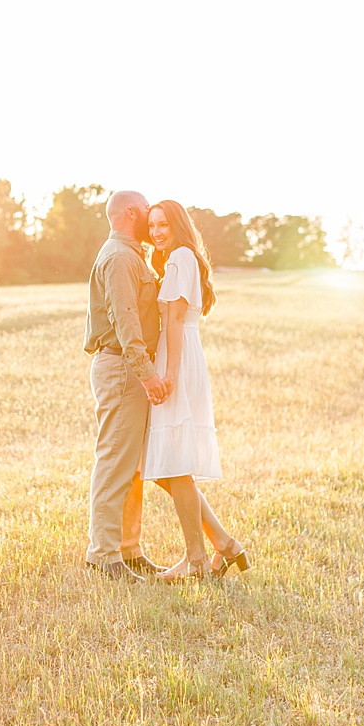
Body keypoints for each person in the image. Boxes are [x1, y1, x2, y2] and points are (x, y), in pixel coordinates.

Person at [142, 199, 248, 581]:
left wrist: (169, 374)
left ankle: (197, 559)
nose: (156, 233)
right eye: (152, 226)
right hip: (181, 355)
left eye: (163, 225)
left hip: (179, 359)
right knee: (165, 465)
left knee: (175, 464)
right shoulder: (180, 258)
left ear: (178, 226)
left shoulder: (180, 258)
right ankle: (224, 544)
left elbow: (173, 319)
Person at [82, 189, 169, 583]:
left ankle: (129, 550)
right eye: (148, 209)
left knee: (131, 466)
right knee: (115, 460)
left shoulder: (132, 255)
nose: (152, 217)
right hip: (122, 367)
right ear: (132, 213)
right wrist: (147, 373)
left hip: (127, 367)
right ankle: (103, 554)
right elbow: (125, 319)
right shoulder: (119, 257)